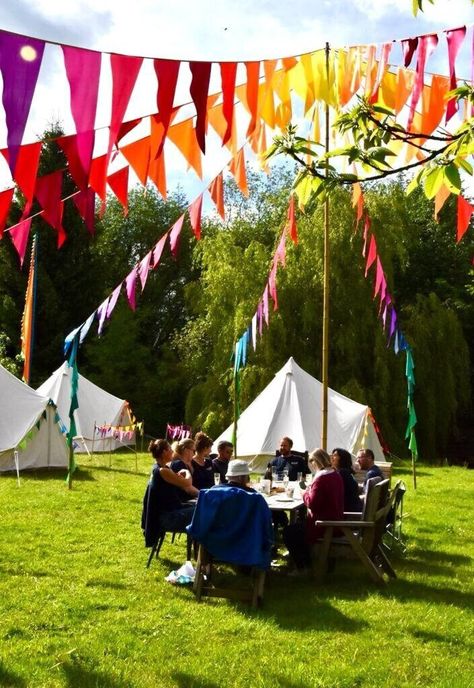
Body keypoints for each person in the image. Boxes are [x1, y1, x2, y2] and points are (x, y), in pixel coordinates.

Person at [283, 448, 344, 574]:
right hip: (334, 519)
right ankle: (305, 563)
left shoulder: (322, 478)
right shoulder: (334, 474)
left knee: (289, 532)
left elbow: (312, 503)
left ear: (316, 462)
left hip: (324, 525)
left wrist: (304, 493)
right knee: (296, 528)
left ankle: (303, 567)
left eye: (312, 463)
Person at [141, 439, 199, 548]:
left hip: (168, 512)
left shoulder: (160, 468)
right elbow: (187, 483)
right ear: (164, 452)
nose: (173, 451)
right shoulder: (163, 471)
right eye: (170, 449)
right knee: (202, 512)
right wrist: (186, 472)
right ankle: (204, 553)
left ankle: (201, 551)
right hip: (166, 518)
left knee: (199, 507)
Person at [331, 447, 362, 513]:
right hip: (354, 507)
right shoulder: (346, 472)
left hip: (349, 511)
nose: (332, 457)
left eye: (335, 455)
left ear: (342, 458)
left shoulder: (342, 473)